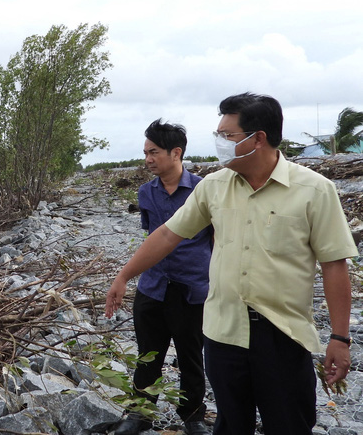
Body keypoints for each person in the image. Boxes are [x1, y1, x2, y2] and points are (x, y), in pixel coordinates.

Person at [106, 93, 357, 435]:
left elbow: (333, 264)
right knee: (230, 424)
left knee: (288, 424)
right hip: (224, 332)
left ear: (259, 138)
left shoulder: (314, 190)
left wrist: (340, 338)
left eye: (228, 136)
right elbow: (167, 235)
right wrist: (124, 276)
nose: (220, 144)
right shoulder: (214, 186)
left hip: (283, 334)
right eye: (218, 135)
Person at [113, 119, 212, 435]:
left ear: (176, 152)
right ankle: (141, 413)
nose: (148, 159)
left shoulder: (202, 190)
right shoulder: (146, 193)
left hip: (192, 289)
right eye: (145, 152)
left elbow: (217, 238)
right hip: (153, 287)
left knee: (191, 356)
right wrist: (127, 277)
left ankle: (193, 416)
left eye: (153, 152)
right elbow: (152, 239)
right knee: (147, 355)